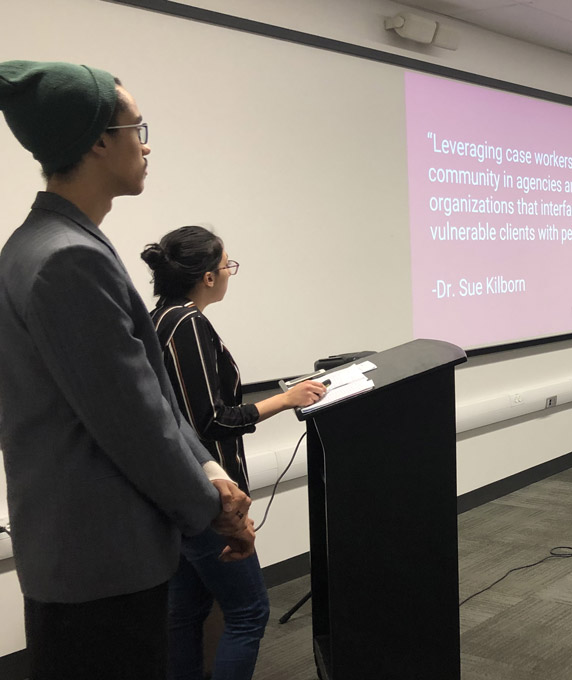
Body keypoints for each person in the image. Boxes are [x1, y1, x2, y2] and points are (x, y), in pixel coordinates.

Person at [0, 60, 254, 679]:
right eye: (138, 127)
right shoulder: (67, 260)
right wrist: (213, 507)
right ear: (97, 141)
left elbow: (148, 394)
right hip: (100, 563)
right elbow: (133, 420)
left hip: (82, 557)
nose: (145, 145)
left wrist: (210, 468)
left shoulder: (48, 243)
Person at [141, 226, 327, 679]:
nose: (229, 273)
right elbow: (212, 420)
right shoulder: (187, 324)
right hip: (208, 497)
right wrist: (286, 400)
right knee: (248, 613)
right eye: (228, 265)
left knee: (184, 613)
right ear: (207, 276)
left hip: (178, 494)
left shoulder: (157, 318)